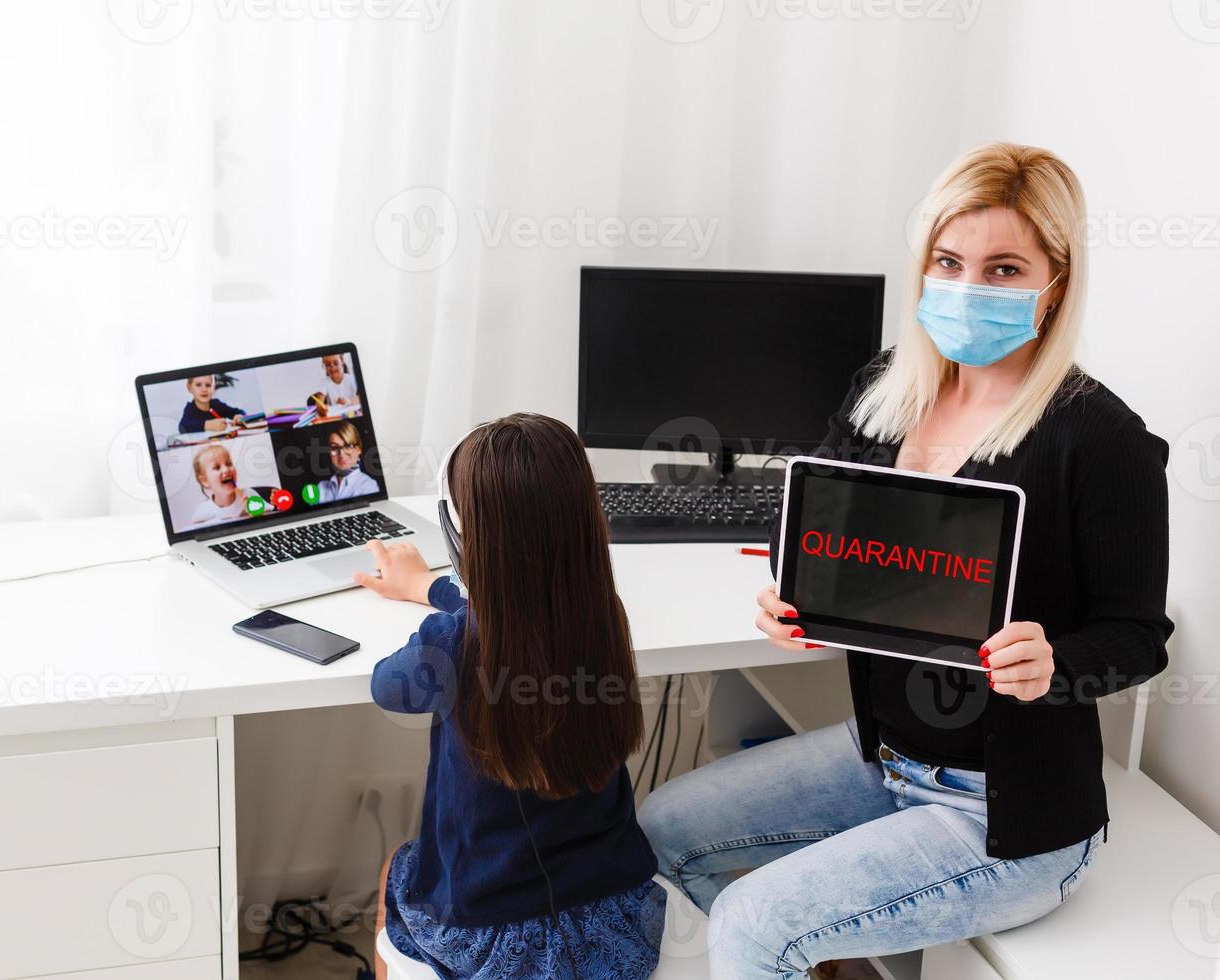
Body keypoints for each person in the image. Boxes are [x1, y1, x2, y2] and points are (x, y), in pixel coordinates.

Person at [640, 143, 1171, 977]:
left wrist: (1056, 664)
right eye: (949, 262)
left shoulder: (1099, 440)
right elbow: (807, 517)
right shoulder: (887, 389)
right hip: (881, 757)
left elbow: (1139, 636)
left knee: (752, 922)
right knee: (659, 830)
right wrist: (790, 594)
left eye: (1003, 269)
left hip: (1008, 814)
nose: (967, 288)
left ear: (1055, 282)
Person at [356, 413, 666, 979]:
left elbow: (384, 685)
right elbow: (513, 610)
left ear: (464, 541)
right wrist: (429, 587)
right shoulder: (604, 617)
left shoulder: (450, 645)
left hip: (493, 940)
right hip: (617, 922)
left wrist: (438, 603)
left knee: (393, 871)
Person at [186, 444, 270, 528]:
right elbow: (192, 531)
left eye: (229, 464)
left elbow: (271, 518)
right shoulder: (203, 510)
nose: (226, 469)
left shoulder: (249, 495)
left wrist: (256, 514)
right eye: (217, 467)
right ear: (205, 481)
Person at [317, 422, 380, 501]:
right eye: (334, 448)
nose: (341, 454)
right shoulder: (321, 487)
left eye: (348, 446)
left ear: (358, 449)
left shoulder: (368, 485)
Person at [178, 375, 246, 434]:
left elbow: (240, 412)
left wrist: (239, 417)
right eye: (198, 385)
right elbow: (182, 426)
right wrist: (206, 425)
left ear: (213, 388)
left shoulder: (216, 404)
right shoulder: (190, 409)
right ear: (189, 388)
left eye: (208, 385)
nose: (204, 389)